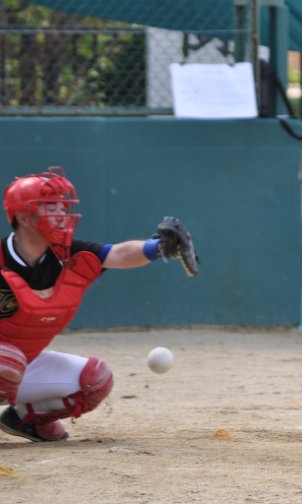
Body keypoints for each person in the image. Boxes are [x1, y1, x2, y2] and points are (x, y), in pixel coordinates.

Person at [0, 166, 197, 442]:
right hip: (6, 362)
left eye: (62, 208)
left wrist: (160, 247)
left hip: (21, 365)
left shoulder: (69, 255)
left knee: (94, 379)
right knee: (6, 360)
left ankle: (24, 420)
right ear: (23, 217)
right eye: (51, 208)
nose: (61, 215)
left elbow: (119, 254)